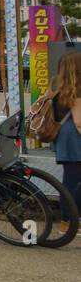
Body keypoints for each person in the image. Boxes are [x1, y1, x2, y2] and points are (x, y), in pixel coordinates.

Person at [50, 52, 81, 234]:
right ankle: (69, 222)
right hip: (75, 137)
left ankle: (67, 221)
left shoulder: (56, 84)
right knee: (74, 182)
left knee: (69, 180)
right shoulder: (77, 89)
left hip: (63, 136)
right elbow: (79, 121)